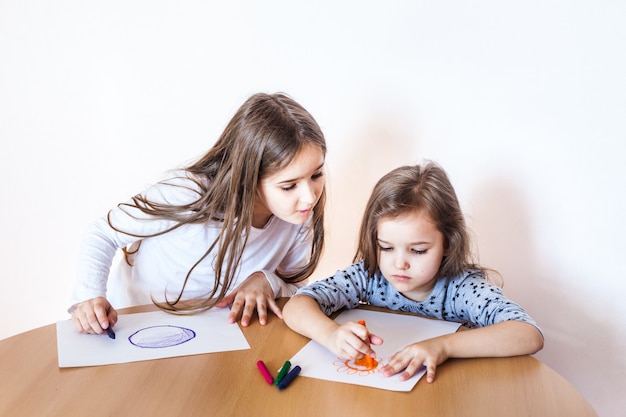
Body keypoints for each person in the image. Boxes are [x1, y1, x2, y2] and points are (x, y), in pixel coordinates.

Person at [70, 92, 327, 335]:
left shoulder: (298, 216)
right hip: (132, 326)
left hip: (211, 339)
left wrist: (267, 281)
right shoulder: (188, 193)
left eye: (316, 174)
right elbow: (104, 233)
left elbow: (295, 288)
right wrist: (90, 296)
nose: (310, 195)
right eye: (288, 186)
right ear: (249, 178)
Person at [283, 161, 544, 383]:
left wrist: (442, 347)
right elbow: (296, 306)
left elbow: (528, 334)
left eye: (417, 251)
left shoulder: (462, 289)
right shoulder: (369, 276)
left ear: (448, 244)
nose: (399, 264)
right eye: (386, 247)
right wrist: (331, 336)